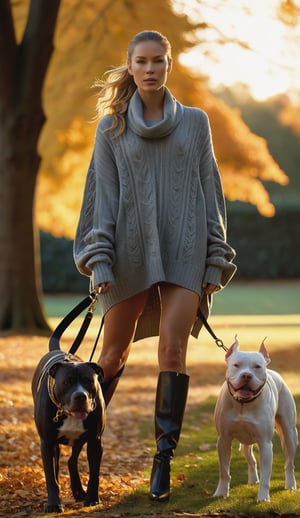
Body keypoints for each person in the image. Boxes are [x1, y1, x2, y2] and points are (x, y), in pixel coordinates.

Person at [74, 30, 236, 503]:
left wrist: (214, 256)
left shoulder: (197, 123)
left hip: (185, 254)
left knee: (172, 353)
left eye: (158, 61)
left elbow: (211, 194)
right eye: (141, 61)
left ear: (169, 65)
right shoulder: (111, 129)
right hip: (127, 255)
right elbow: (101, 203)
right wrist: (99, 259)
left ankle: (162, 460)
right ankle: (88, 446)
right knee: (110, 358)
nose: (149, 68)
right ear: (130, 66)